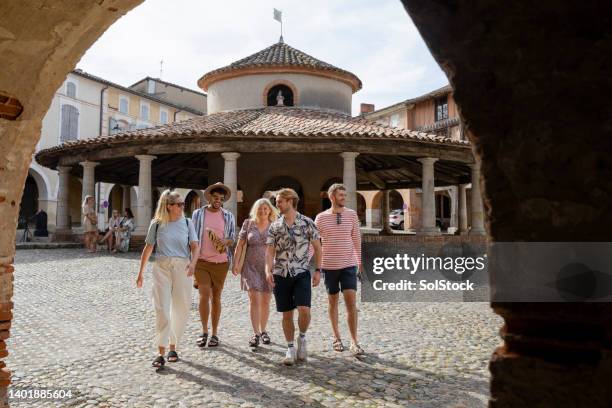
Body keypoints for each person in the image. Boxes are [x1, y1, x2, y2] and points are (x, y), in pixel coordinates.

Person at [136, 190, 199, 369]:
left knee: (181, 308)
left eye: (182, 204)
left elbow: (195, 247)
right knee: (162, 308)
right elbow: (148, 249)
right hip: (161, 267)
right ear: (169, 206)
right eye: (179, 204)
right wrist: (140, 273)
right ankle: (160, 351)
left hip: (183, 267)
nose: (182, 207)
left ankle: (174, 347)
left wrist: (194, 264)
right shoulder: (156, 224)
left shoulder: (188, 223)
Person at [265, 188, 322, 365]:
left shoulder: (307, 223)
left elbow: (319, 248)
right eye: (276, 202)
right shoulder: (274, 225)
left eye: (280, 201)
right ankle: (290, 348)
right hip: (281, 273)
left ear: (290, 201)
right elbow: (269, 251)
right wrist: (268, 270)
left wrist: (318, 270)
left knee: (304, 310)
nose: (277, 204)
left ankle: (302, 338)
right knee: (287, 314)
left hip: (301, 273)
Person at [315, 183, 364, 355]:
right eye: (340, 195)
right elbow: (314, 243)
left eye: (345, 195)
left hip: (348, 265)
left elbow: (356, 239)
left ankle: (354, 341)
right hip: (329, 266)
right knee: (333, 302)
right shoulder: (320, 218)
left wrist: (360, 263)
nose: (344, 197)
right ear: (332, 197)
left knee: (351, 302)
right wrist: (314, 267)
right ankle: (337, 337)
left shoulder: (351, 215)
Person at [191, 182, 236, 348]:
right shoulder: (197, 214)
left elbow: (232, 237)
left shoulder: (228, 216)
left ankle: (215, 333)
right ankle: (204, 331)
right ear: (209, 197)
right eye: (216, 197)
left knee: (216, 297)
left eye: (221, 199)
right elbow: (192, 237)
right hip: (201, 261)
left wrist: (225, 241)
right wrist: (191, 261)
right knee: (204, 295)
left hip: (221, 262)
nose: (218, 200)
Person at [233, 198, 278, 348]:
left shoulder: (275, 226)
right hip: (250, 266)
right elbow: (240, 246)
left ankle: (263, 330)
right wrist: (235, 263)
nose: (263, 211)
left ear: (270, 210)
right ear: (255, 209)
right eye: (260, 208)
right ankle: (255, 333)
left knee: (265, 300)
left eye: (266, 208)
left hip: (268, 268)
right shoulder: (248, 223)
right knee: (254, 299)